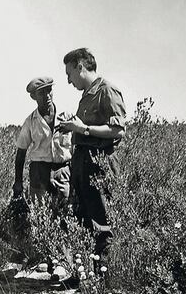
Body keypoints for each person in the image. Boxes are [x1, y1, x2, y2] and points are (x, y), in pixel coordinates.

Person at [58, 48, 126, 274]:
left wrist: (83, 129)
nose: (68, 80)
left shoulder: (107, 90)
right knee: (83, 220)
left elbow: (118, 130)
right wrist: (72, 126)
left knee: (101, 221)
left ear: (80, 66)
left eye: (69, 74)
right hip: (82, 164)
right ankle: (84, 276)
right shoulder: (87, 95)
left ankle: (101, 278)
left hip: (99, 165)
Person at [13, 76, 73, 208]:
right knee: (39, 215)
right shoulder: (30, 122)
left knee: (65, 214)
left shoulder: (66, 116)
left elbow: (77, 145)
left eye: (49, 90)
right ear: (33, 97)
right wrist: (18, 182)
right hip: (39, 173)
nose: (47, 95)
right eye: (42, 92)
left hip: (62, 171)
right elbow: (21, 153)